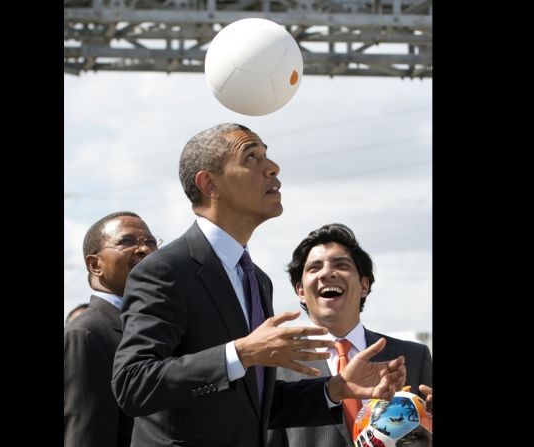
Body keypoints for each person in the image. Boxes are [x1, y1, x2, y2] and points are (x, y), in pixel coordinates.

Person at [111, 123, 407, 447]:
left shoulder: (256, 280)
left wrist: (335, 389)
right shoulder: (166, 269)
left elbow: (254, 407)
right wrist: (242, 352)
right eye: (252, 157)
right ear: (209, 183)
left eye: (267, 155)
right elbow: (133, 384)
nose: (273, 167)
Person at [267, 223, 433, 447]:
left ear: (364, 285)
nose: (327, 273)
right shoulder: (276, 364)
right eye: (314, 268)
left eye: (341, 264)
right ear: (301, 291)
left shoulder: (413, 356)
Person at [64, 211, 160, 447]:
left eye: (150, 241)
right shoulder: (87, 333)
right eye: (126, 241)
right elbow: (86, 433)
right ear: (95, 264)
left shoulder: (159, 325)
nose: (143, 249)